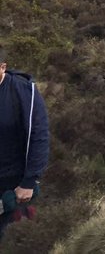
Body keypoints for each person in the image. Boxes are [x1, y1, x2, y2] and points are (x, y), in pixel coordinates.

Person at [0, 48, 49, 244]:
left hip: (14, 180)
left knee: (14, 238)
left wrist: (29, 182)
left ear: (3, 67)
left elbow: (39, 135)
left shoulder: (23, 92)